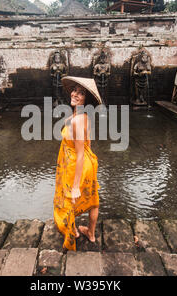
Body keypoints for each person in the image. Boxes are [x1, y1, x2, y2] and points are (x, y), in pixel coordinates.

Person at [53, 76, 102, 251]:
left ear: (86, 99)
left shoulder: (76, 121)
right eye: (74, 90)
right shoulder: (84, 115)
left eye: (81, 93)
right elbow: (88, 143)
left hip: (78, 163)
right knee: (93, 200)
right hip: (89, 161)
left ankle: (73, 231)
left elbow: (80, 154)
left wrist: (75, 186)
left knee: (69, 201)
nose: (74, 94)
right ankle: (91, 233)